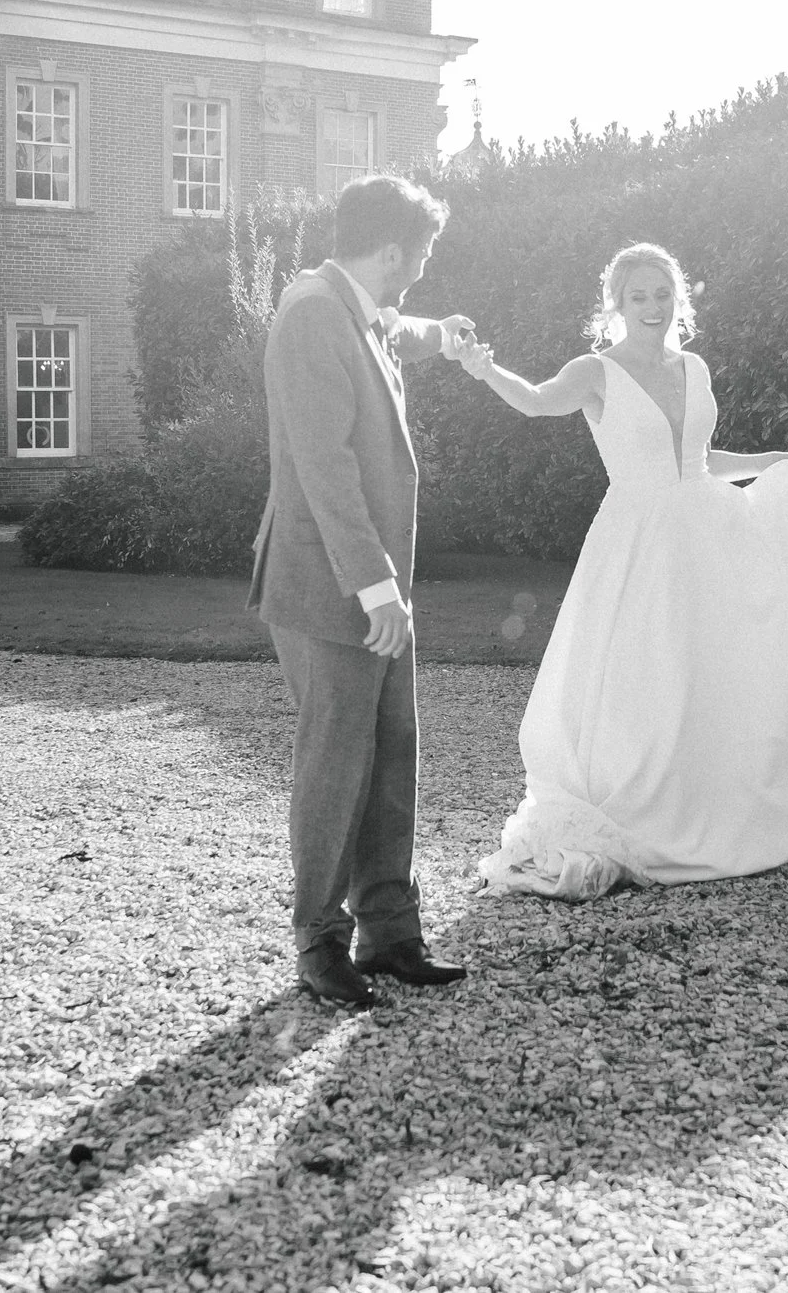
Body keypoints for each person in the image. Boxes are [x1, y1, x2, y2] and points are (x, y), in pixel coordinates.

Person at [450, 242, 788, 899]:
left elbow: (702, 457)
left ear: (676, 299)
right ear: (617, 305)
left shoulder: (694, 367)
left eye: (663, 294)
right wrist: (482, 368)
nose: (653, 306)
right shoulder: (595, 371)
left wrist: (769, 460)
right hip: (640, 541)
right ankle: (639, 805)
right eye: (639, 296)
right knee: (647, 673)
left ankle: (715, 800)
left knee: (720, 669)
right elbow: (538, 401)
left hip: (711, 531)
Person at [252, 174, 477, 1007]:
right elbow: (325, 464)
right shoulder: (313, 313)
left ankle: (389, 929)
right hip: (333, 582)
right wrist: (376, 584)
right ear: (390, 250)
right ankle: (319, 940)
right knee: (338, 756)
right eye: (419, 256)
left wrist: (442, 335)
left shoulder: (356, 307)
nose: (419, 270)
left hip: (376, 583)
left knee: (391, 750)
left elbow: (396, 329)